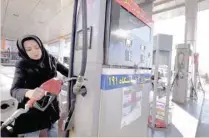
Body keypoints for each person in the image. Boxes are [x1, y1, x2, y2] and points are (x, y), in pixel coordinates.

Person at [10, 35, 69, 137]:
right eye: (29, 49)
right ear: (24, 51)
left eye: (37, 47)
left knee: (53, 133)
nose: (34, 51)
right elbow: (15, 90)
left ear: (41, 46)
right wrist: (29, 92)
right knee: (32, 134)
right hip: (32, 111)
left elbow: (67, 72)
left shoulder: (51, 59)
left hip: (51, 108)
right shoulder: (22, 64)